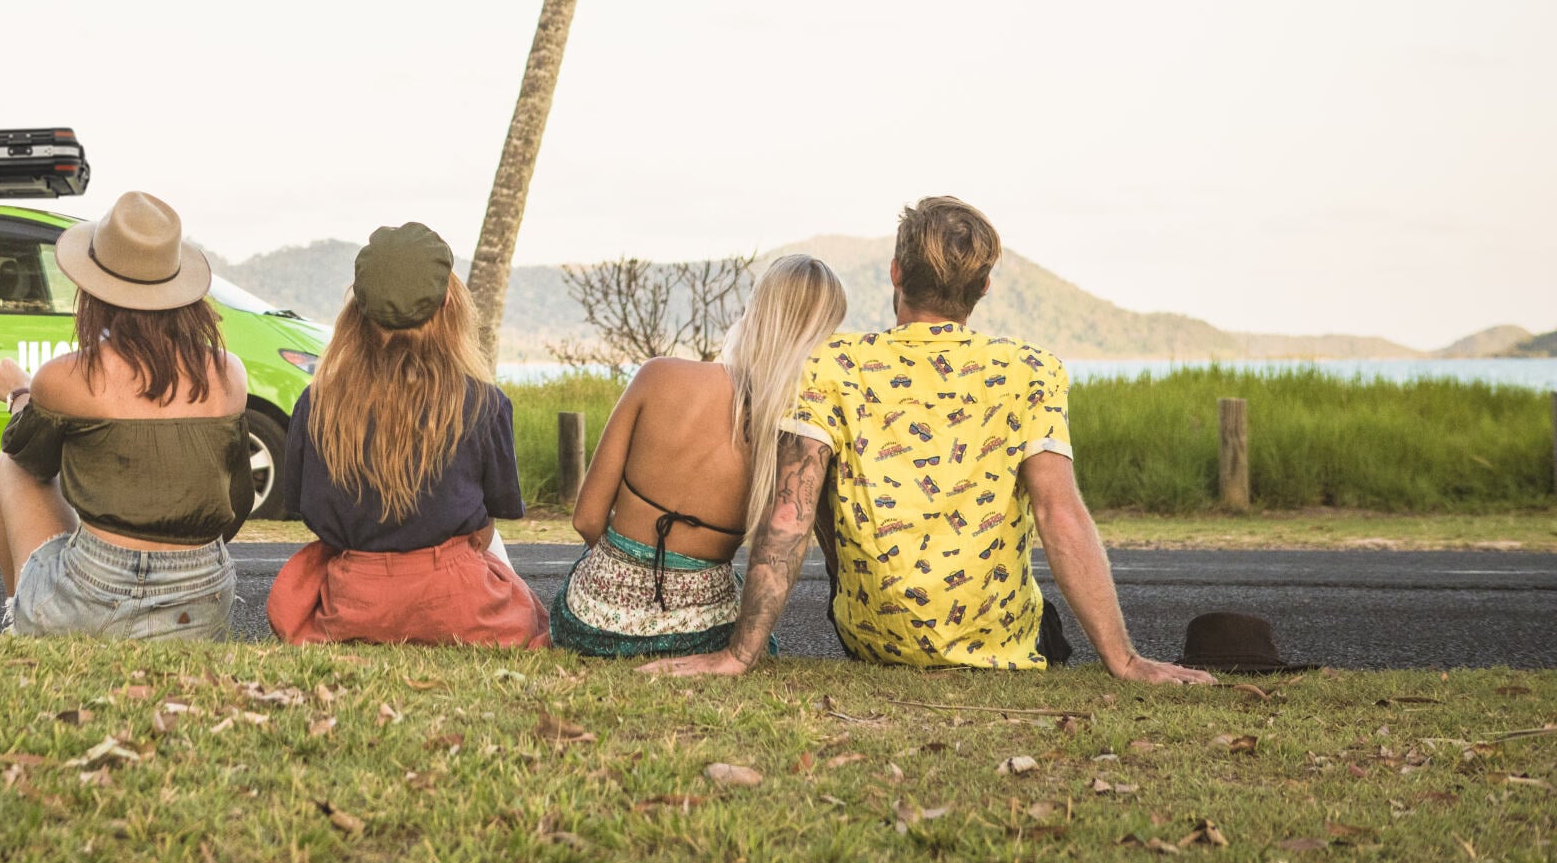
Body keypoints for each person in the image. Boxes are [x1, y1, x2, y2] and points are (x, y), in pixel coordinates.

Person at [641, 196, 1215, 684]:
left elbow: (789, 514)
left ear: (895, 272)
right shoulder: (1031, 370)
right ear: (985, 286)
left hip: (875, 640)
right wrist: (1125, 660)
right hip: (1000, 645)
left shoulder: (830, 365)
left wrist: (739, 656)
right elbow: (1059, 514)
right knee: (1048, 625)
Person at [549, 253, 850, 658]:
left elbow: (586, 520)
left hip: (594, 622)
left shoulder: (658, 375)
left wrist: (625, 574)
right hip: (705, 634)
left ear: (755, 308)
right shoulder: (795, 433)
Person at [0, 191, 255, 640]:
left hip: (91, 596)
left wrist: (19, 395)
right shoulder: (229, 374)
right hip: (201, 603)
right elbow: (237, 501)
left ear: (94, 291)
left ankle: (21, 621)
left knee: (11, 462)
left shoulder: (65, 377)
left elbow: (31, 456)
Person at [266, 223, 547, 646]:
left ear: (357, 310)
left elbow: (310, 513)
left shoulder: (315, 403)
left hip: (355, 603)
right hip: (459, 603)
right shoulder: (485, 403)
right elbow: (491, 519)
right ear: (450, 301)